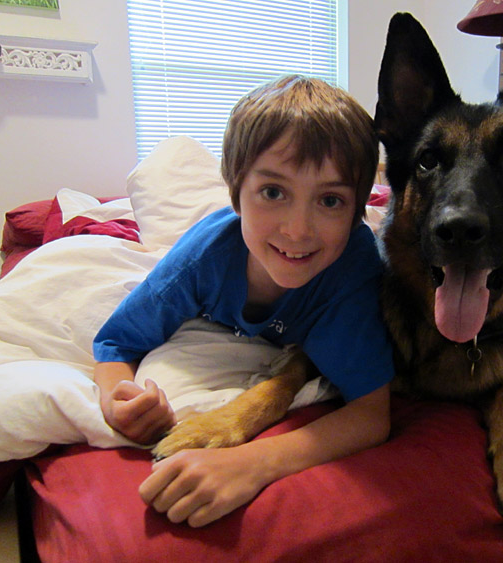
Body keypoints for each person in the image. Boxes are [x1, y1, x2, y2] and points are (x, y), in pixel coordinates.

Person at [92, 75, 394, 527]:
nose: (297, 230)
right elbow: (115, 344)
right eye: (273, 192)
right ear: (235, 192)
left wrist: (252, 463)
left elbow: (371, 414)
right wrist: (118, 400)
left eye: (330, 200)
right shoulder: (201, 261)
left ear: (356, 214)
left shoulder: (351, 273)